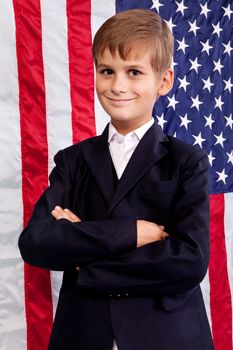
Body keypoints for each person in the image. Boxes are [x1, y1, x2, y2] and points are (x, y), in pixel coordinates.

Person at [18, 9, 214, 350]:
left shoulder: (187, 162)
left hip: (167, 336)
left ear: (163, 81)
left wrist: (83, 258)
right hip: (82, 334)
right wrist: (132, 232)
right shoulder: (72, 161)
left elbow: (188, 261)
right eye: (107, 71)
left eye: (134, 72)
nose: (118, 85)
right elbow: (36, 242)